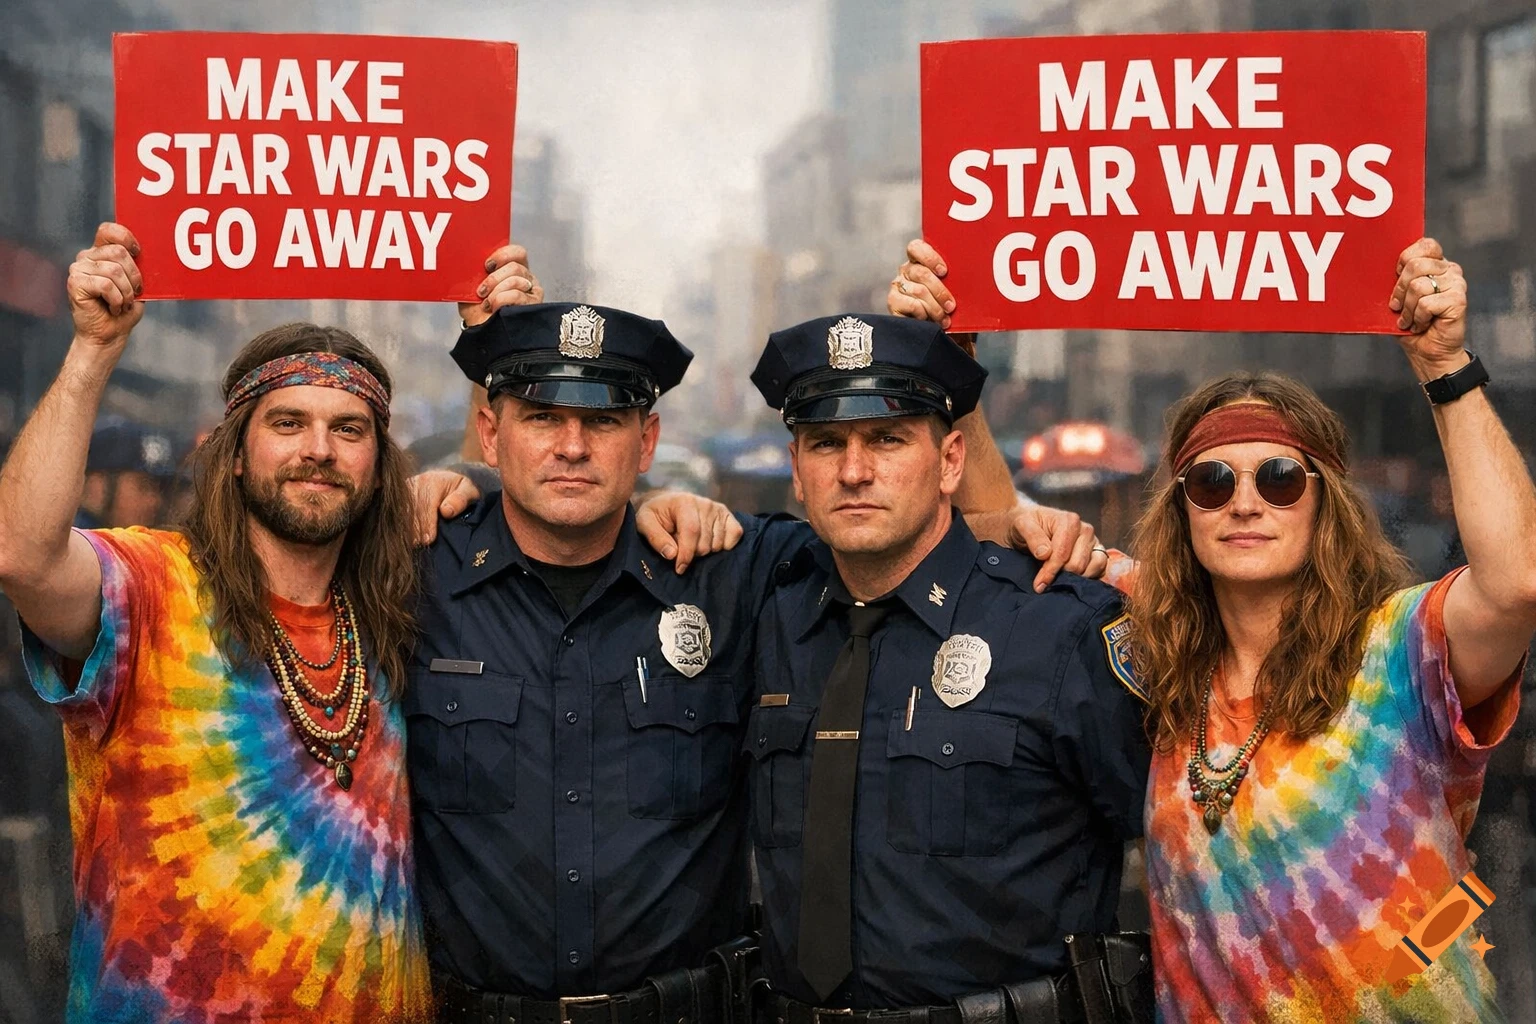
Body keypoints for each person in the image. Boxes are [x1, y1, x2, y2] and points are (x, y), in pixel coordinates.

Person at [408, 250, 1107, 1023]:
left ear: (646, 444)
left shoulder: (731, 572)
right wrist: (459, 473)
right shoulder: (411, 575)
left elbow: (914, 550)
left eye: (603, 421)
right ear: (492, 432)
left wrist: (1005, 523)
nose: (571, 447)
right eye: (541, 418)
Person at [890, 237, 1535, 1022]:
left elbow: (1517, 585)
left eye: (1281, 478)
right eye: (1212, 480)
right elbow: (1002, 523)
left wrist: (1445, 366)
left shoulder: (1396, 650)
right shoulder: (1151, 647)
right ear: (1184, 509)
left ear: (1324, 503)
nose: (1245, 502)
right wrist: (953, 361)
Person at [0, 223, 432, 1022]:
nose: (319, 449)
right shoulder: (151, 584)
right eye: (287, 422)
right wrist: (93, 350)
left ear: (377, 465)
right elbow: (22, 556)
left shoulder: (393, 612)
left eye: (349, 428)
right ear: (236, 452)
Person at [743, 313, 1152, 1024]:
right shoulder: (765, 615)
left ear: (952, 461)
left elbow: (1189, 849)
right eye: (826, 442)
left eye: (889, 439)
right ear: (797, 471)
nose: (854, 470)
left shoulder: (1059, 627)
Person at [75, 418, 178, 528]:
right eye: (143, 487)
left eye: (160, 490)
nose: (155, 501)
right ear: (97, 487)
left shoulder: (148, 542)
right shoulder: (64, 539)